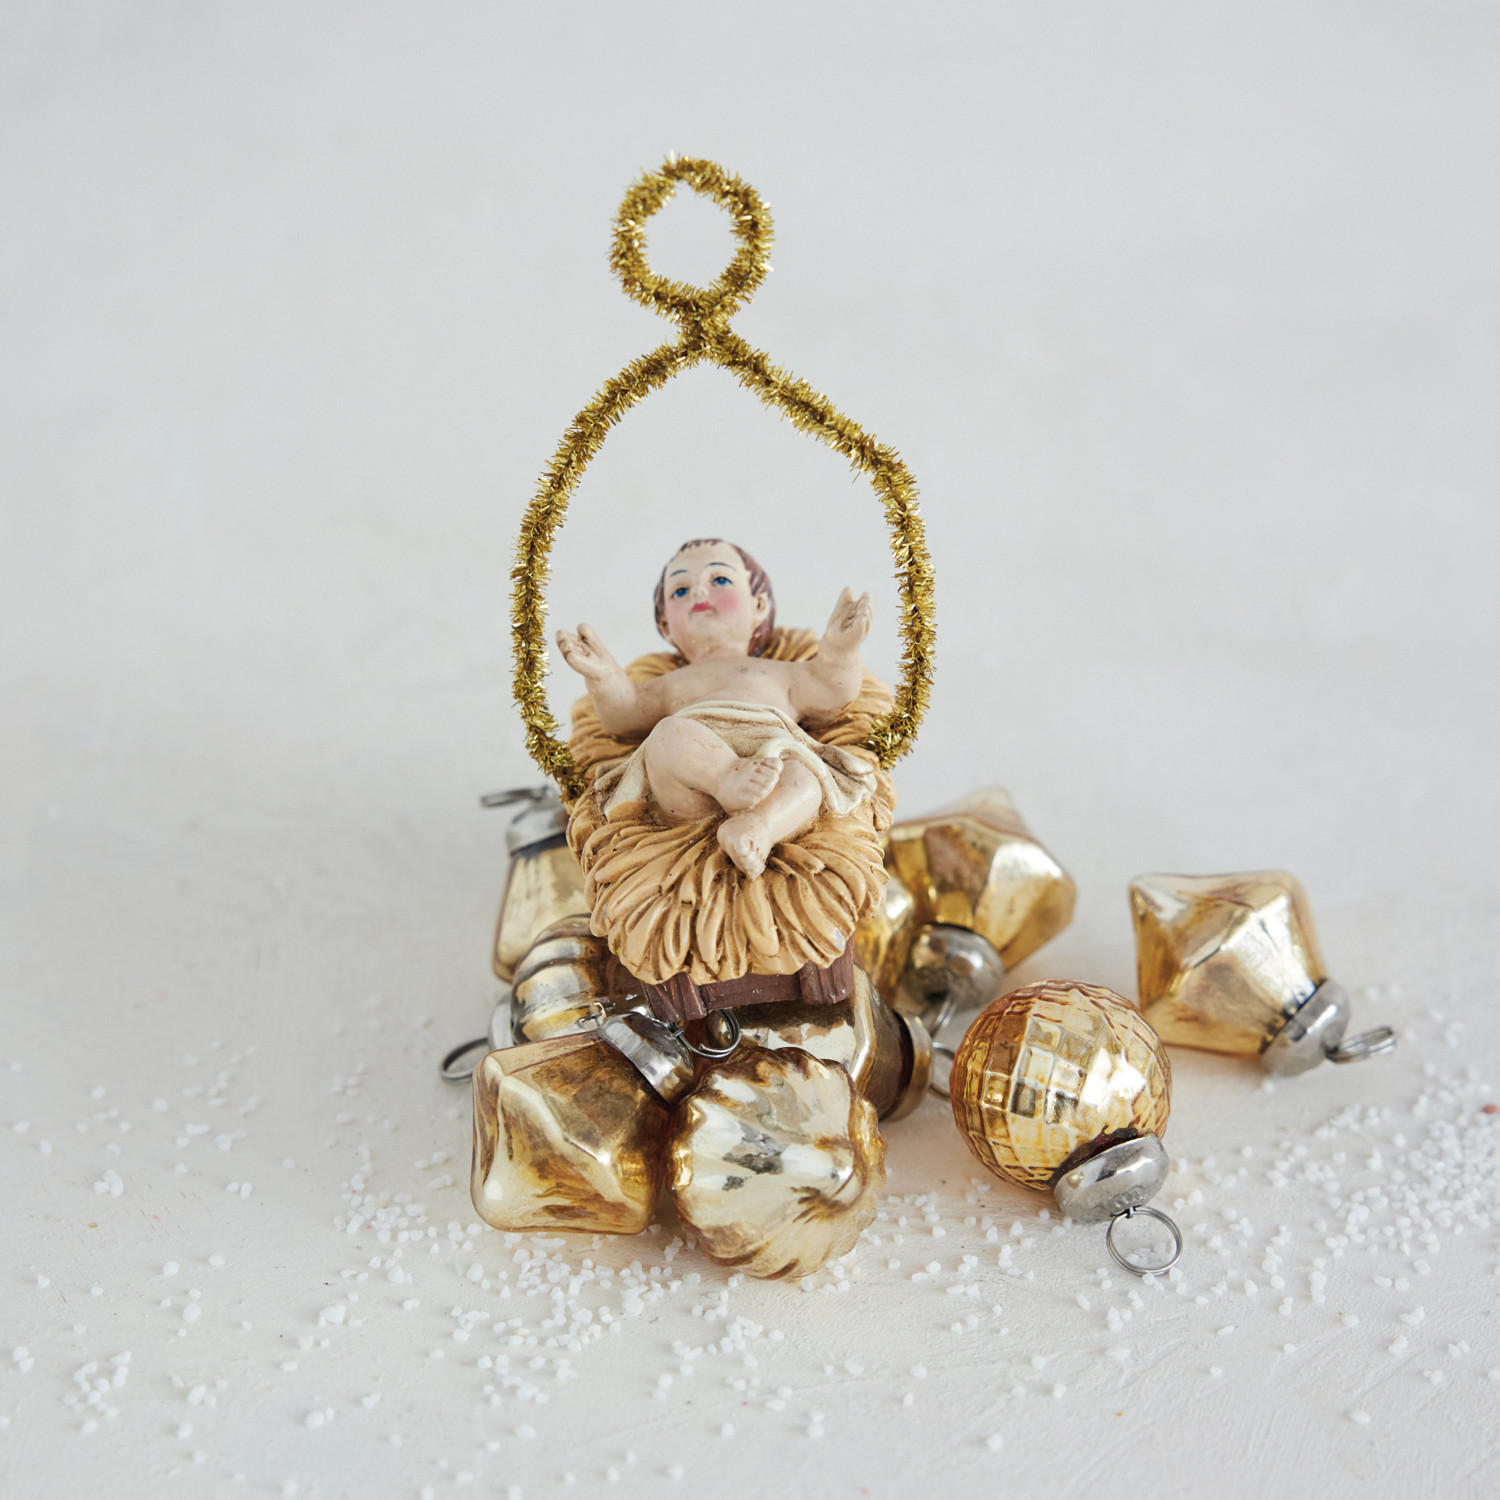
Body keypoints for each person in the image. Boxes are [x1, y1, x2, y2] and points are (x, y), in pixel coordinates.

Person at [557, 538, 878, 879]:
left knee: (806, 779)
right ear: (665, 625)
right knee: (667, 735)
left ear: (758, 606)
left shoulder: (781, 671)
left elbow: (830, 689)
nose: (698, 592)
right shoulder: (670, 683)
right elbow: (625, 715)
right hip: (691, 779)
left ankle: (758, 829)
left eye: (720, 580)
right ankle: (726, 777)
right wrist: (603, 676)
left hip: (771, 754)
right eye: (680, 590)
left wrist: (839, 650)